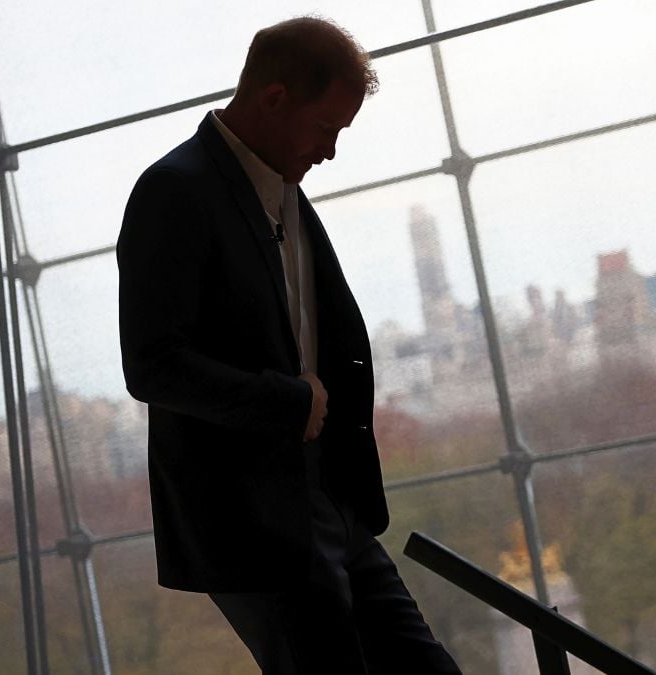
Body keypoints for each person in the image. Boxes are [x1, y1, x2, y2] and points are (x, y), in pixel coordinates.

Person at [116, 16, 461, 674]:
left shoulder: (281, 189)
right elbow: (152, 365)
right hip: (253, 520)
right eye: (326, 128)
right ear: (275, 100)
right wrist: (289, 401)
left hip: (323, 499)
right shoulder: (175, 191)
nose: (330, 151)